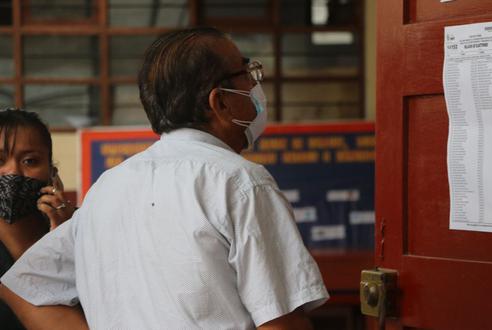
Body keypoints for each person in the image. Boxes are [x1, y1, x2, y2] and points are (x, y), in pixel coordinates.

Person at [0, 27, 329, 329]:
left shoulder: (108, 187)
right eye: (247, 74)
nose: (255, 85)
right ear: (221, 102)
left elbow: (25, 288)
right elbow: (282, 322)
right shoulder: (240, 183)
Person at [0, 108, 77, 329]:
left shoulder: (80, 227)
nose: (13, 171)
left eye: (30, 161)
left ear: (52, 174)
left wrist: (65, 237)